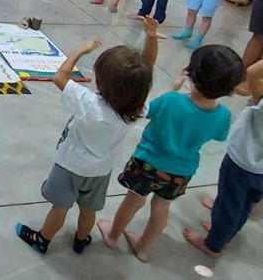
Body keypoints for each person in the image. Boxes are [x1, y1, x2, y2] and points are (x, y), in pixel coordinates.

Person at [16, 17, 157, 255]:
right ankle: (81, 239)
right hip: (100, 171)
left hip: (70, 166)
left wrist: (80, 50)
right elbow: (147, 69)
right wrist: (151, 39)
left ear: (103, 82)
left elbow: (59, 77)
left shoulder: (90, 104)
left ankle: (42, 239)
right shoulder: (137, 108)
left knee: (60, 208)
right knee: (88, 209)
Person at [98, 45, 245, 263]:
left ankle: (112, 236)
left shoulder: (172, 100)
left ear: (191, 74)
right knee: (161, 207)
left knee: (133, 201)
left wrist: (171, 88)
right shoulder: (223, 115)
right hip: (181, 171)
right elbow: (220, 136)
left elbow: (146, 110)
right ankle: (142, 247)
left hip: (147, 162)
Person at [182, 58, 263, 258]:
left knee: (230, 203)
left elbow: (252, 71)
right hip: (260, 171)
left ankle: (213, 244)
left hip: (243, 163)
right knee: (244, 204)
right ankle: (226, 233)